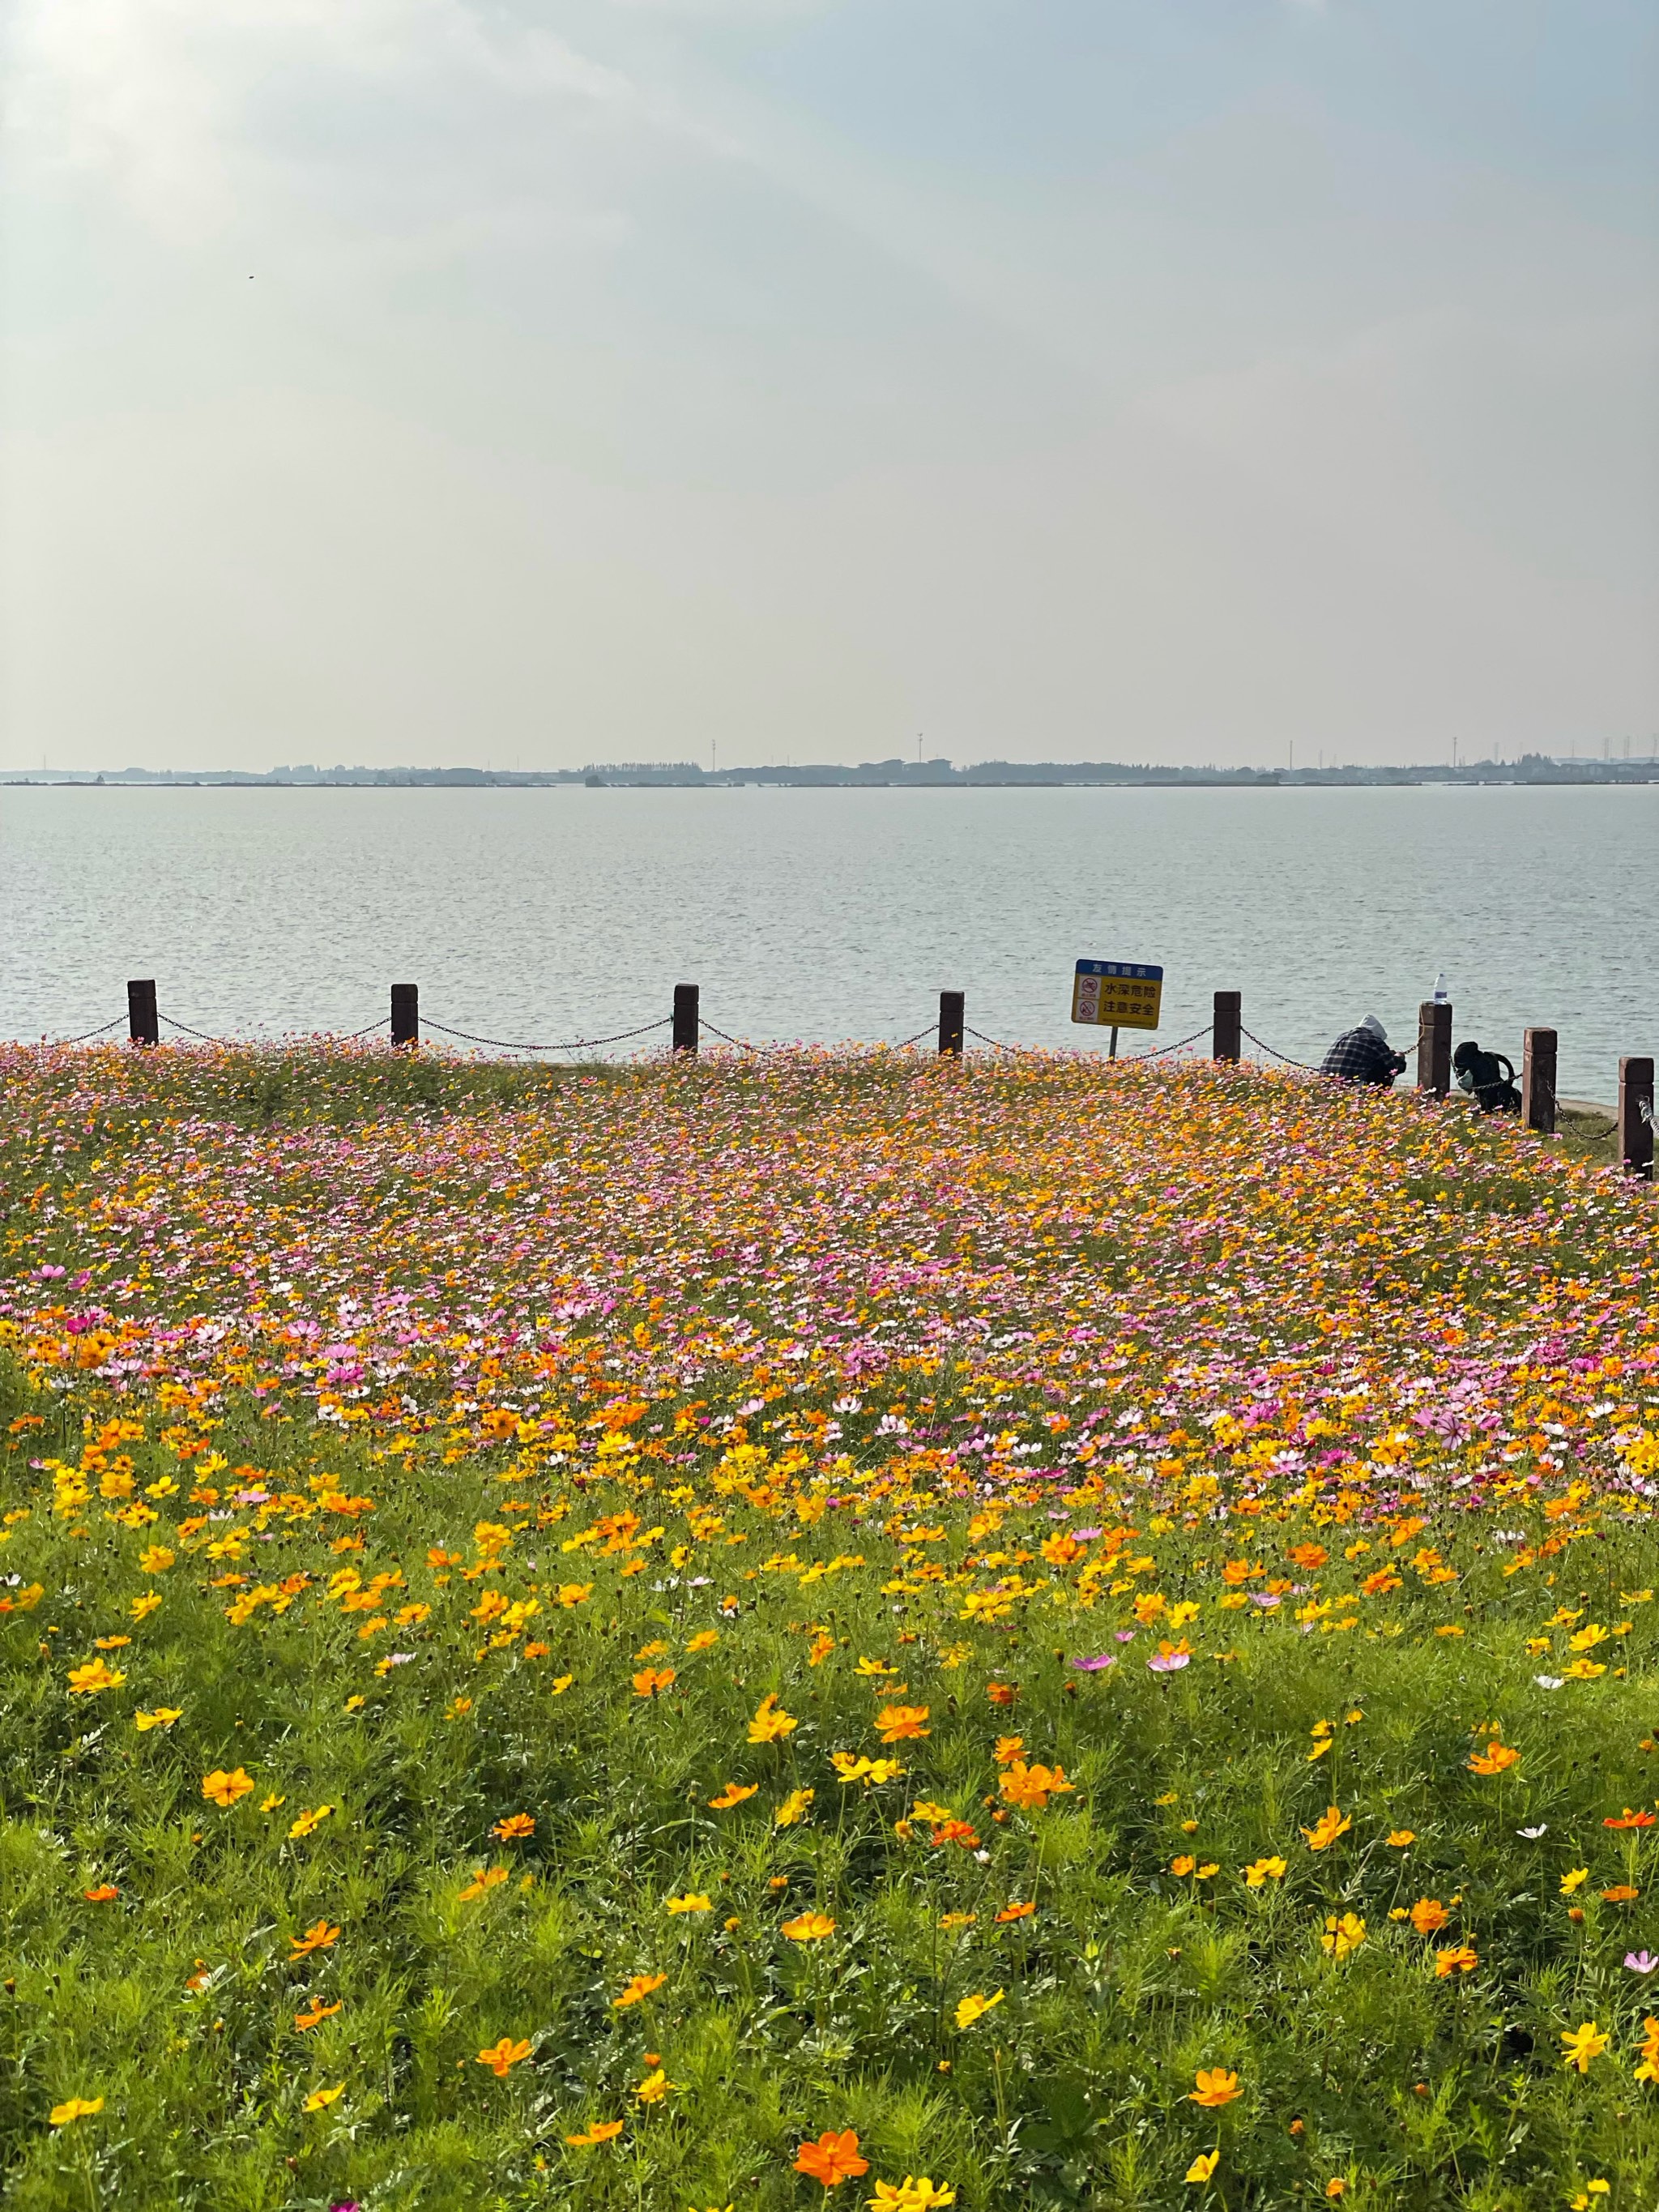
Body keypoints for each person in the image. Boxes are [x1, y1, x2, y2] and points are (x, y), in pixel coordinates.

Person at [1320, 1013, 1406, 1087]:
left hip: (1325, 1082)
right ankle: (1377, 1096)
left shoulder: (1343, 1036)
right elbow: (1394, 1066)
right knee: (1386, 1068)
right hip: (1348, 1084)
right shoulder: (1374, 1040)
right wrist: (1400, 1057)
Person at [1453, 1040, 1520, 1114]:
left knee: (1489, 1097)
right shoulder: (1487, 1057)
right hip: (1494, 1085)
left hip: (1491, 1087)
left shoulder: (1480, 1061)